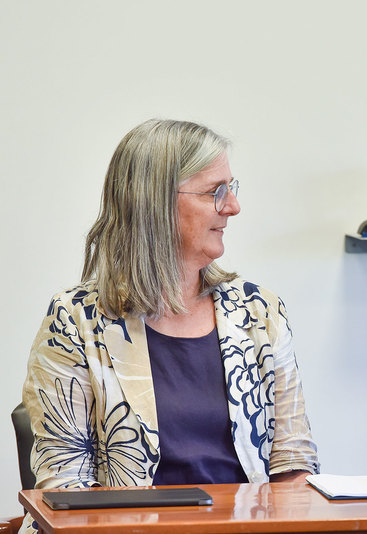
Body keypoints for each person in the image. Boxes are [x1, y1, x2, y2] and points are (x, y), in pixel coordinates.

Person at [22, 119, 319, 531]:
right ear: (155, 203)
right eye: (216, 191)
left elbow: (293, 468)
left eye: (232, 188)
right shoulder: (75, 320)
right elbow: (66, 492)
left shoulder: (260, 312)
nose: (233, 206)